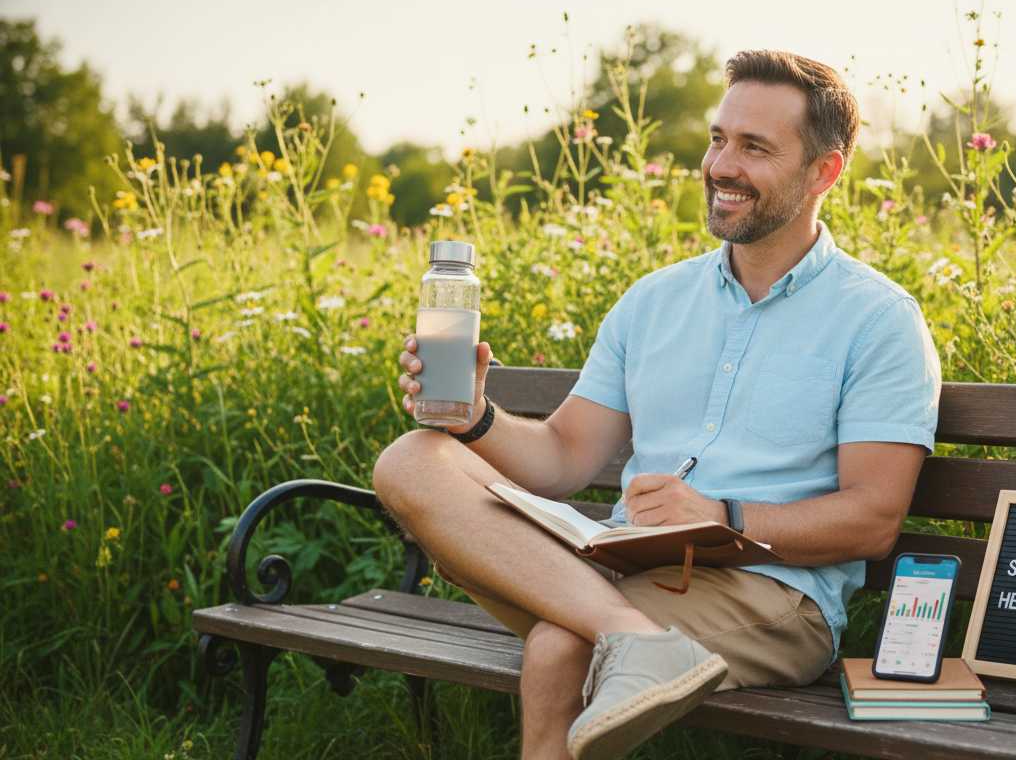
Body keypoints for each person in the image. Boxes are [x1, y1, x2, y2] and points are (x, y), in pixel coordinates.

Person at [373, 49, 941, 760]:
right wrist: (476, 419)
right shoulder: (654, 301)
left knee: (559, 648)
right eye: (718, 139)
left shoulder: (878, 320)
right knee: (413, 459)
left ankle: (625, 636)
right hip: (622, 569)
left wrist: (721, 516)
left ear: (824, 171)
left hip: (772, 595)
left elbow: (874, 519)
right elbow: (562, 458)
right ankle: (634, 637)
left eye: (755, 147)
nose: (721, 165)